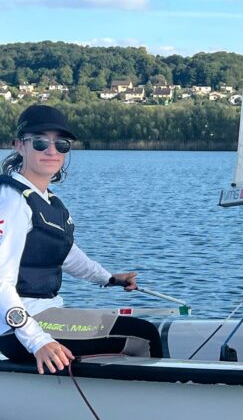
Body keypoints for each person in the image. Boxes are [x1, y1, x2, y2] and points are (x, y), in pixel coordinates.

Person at [0, 104, 162, 375]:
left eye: (61, 144)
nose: (52, 151)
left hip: (44, 315)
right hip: (19, 326)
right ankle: (159, 410)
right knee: (143, 335)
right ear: (19, 146)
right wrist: (38, 341)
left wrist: (109, 278)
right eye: (40, 142)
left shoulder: (48, 201)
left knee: (137, 330)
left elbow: (68, 253)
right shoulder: (11, 200)